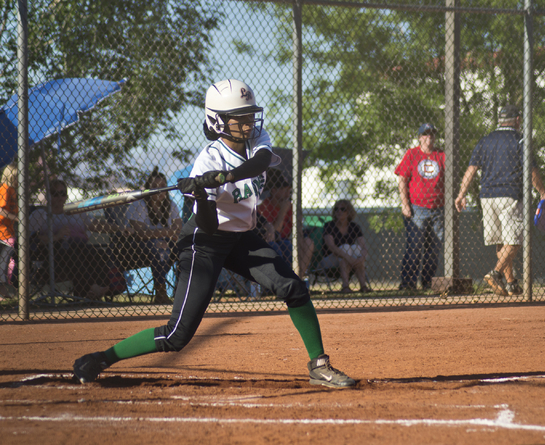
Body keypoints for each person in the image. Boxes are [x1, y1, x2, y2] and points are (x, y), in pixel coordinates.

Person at [72, 79, 355, 389]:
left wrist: (227, 177)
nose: (249, 121)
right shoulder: (207, 161)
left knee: (292, 286)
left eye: (250, 114)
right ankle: (102, 358)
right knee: (176, 335)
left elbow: (260, 161)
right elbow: (207, 225)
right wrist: (203, 194)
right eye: (240, 116)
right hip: (203, 243)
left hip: (241, 237)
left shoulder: (256, 138)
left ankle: (319, 365)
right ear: (218, 120)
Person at [454, 105, 545, 296]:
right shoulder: (520, 140)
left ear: (499, 120)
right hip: (510, 195)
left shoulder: (485, 141)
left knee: (501, 241)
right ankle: (495, 273)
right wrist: (542, 193)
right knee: (515, 241)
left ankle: (511, 282)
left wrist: (461, 194)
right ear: (516, 120)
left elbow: (471, 169)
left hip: (487, 197)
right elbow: (531, 171)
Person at [29, 179, 132, 300]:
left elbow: (96, 225)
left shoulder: (75, 211)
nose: (59, 197)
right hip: (53, 255)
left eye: (62, 193)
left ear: (66, 196)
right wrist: (56, 237)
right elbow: (30, 240)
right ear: (48, 196)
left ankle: (94, 292)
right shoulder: (40, 214)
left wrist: (120, 228)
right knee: (71, 253)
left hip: (81, 249)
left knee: (98, 254)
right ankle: (91, 289)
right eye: (55, 193)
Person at [394, 123, 445, 290]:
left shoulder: (441, 155)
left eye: (431, 134)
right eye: (425, 134)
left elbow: (450, 178)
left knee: (434, 248)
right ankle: (408, 283)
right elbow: (402, 179)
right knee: (414, 246)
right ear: (419, 137)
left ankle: (427, 282)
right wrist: (405, 204)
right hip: (417, 208)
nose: (428, 137)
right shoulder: (412, 154)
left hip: (438, 208)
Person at [125, 167, 182, 304]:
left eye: (162, 186)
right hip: (136, 249)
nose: (159, 190)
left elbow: (178, 230)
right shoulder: (138, 204)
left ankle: (181, 292)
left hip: (165, 245)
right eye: (154, 187)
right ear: (147, 189)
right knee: (158, 246)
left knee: (182, 248)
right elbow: (141, 234)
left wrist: (162, 236)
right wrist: (166, 233)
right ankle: (160, 291)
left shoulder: (171, 205)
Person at [257, 168, 314, 277]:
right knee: (285, 245)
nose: (288, 193)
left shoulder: (290, 207)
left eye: (289, 190)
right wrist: (282, 212)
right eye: (284, 189)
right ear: (273, 190)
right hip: (273, 240)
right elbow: (275, 233)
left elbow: (297, 231)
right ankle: (286, 279)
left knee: (308, 242)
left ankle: (298, 278)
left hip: (289, 240)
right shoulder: (265, 206)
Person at [318, 199, 369, 293]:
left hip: (350, 259)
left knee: (356, 248)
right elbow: (332, 247)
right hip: (329, 260)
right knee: (346, 247)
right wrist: (349, 258)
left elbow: (364, 247)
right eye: (336, 209)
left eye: (343, 209)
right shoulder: (329, 226)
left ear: (349, 211)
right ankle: (345, 285)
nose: (339, 211)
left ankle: (363, 286)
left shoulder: (354, 227)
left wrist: (362, 258)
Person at [0, 164, 18, 299]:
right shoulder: (5, 189)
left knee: (8, 258)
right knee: (8, 258)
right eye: (16, 177)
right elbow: (1, 210)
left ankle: (5, 288)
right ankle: (9, 283)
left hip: (9, 230)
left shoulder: (13, 190)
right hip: (3, 231)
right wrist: (16, 218)